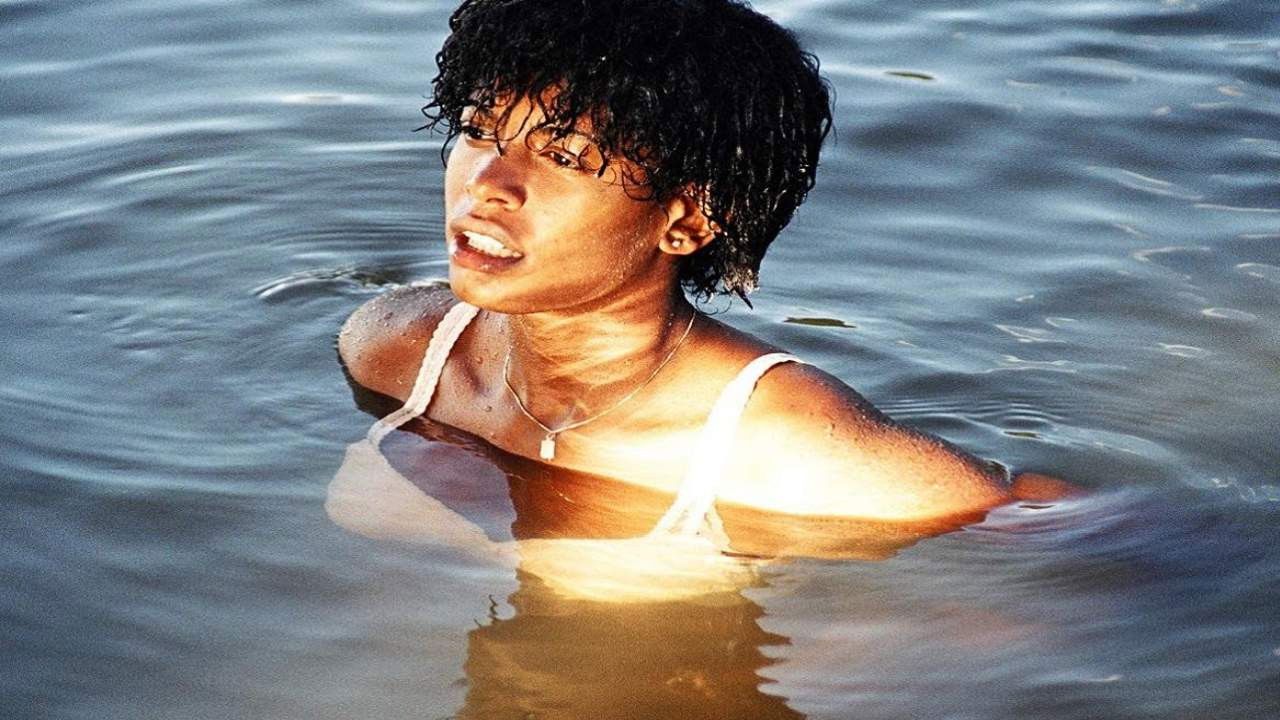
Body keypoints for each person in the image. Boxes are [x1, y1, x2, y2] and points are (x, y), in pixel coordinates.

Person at [332, 0, 1069, 585]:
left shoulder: (780, 442)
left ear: (686, 221)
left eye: (564, 156)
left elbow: (1055, 526)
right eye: (478, 129)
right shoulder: (398, 351)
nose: (487, 184)